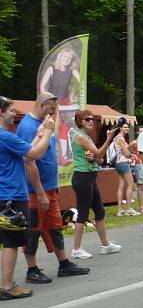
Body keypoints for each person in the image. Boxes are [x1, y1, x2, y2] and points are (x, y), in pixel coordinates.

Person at [17, 93, 90, 283]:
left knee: (55, 226)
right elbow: (28, 161)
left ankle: (64, 263)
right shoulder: (27, 127)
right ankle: (31, 269)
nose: (53, 113)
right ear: (43, 105)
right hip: (35, 191)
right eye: (51, 109)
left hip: (50, 187)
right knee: (33, 229)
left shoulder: (46, 124)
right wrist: (40, 192)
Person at [1, 96, 56, 299]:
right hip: (12, 196)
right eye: (11, 111)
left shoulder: (6, 137)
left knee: (9, 241)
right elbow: (34, 155)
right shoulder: (6, 137)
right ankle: (7, 287)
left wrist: (39, 134)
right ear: (1, 112)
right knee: (12, 243)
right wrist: (48, 132)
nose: (15, 114)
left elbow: (23, 155)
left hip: (5, 194)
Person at [68, 110, 122, 259]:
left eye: (92, 119)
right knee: (83, 213)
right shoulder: (80, 136)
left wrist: (94, 157)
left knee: (99, 211)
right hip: (82, 177)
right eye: (87, 119)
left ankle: (105, 244)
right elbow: (99, 153)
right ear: (80, 121)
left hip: (90, 177)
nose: (91, 121)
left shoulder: (87, 137)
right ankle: (76, 249)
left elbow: (99, 159)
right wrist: (109, 139)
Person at [111, 120, 137, 216]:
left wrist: (130, 146)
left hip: (118, 164)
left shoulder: (117, 138)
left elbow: (124, 150)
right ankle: (129, 208)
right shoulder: (121, 138)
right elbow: (126, 153)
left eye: (127, 127)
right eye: (125, 127)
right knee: (131, 185)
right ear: (120, 128)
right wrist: (132, 155)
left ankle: (120, 210)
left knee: (121, 185)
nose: (127, 129)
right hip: (123, 163)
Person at [130, 126, 143, 213]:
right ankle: (141, 206)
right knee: (140, 185)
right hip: (139, 163)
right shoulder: (134, 142)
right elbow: (129, 150)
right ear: (137, 132)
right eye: (140, 131)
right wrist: (133, 156)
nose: (142, 133)